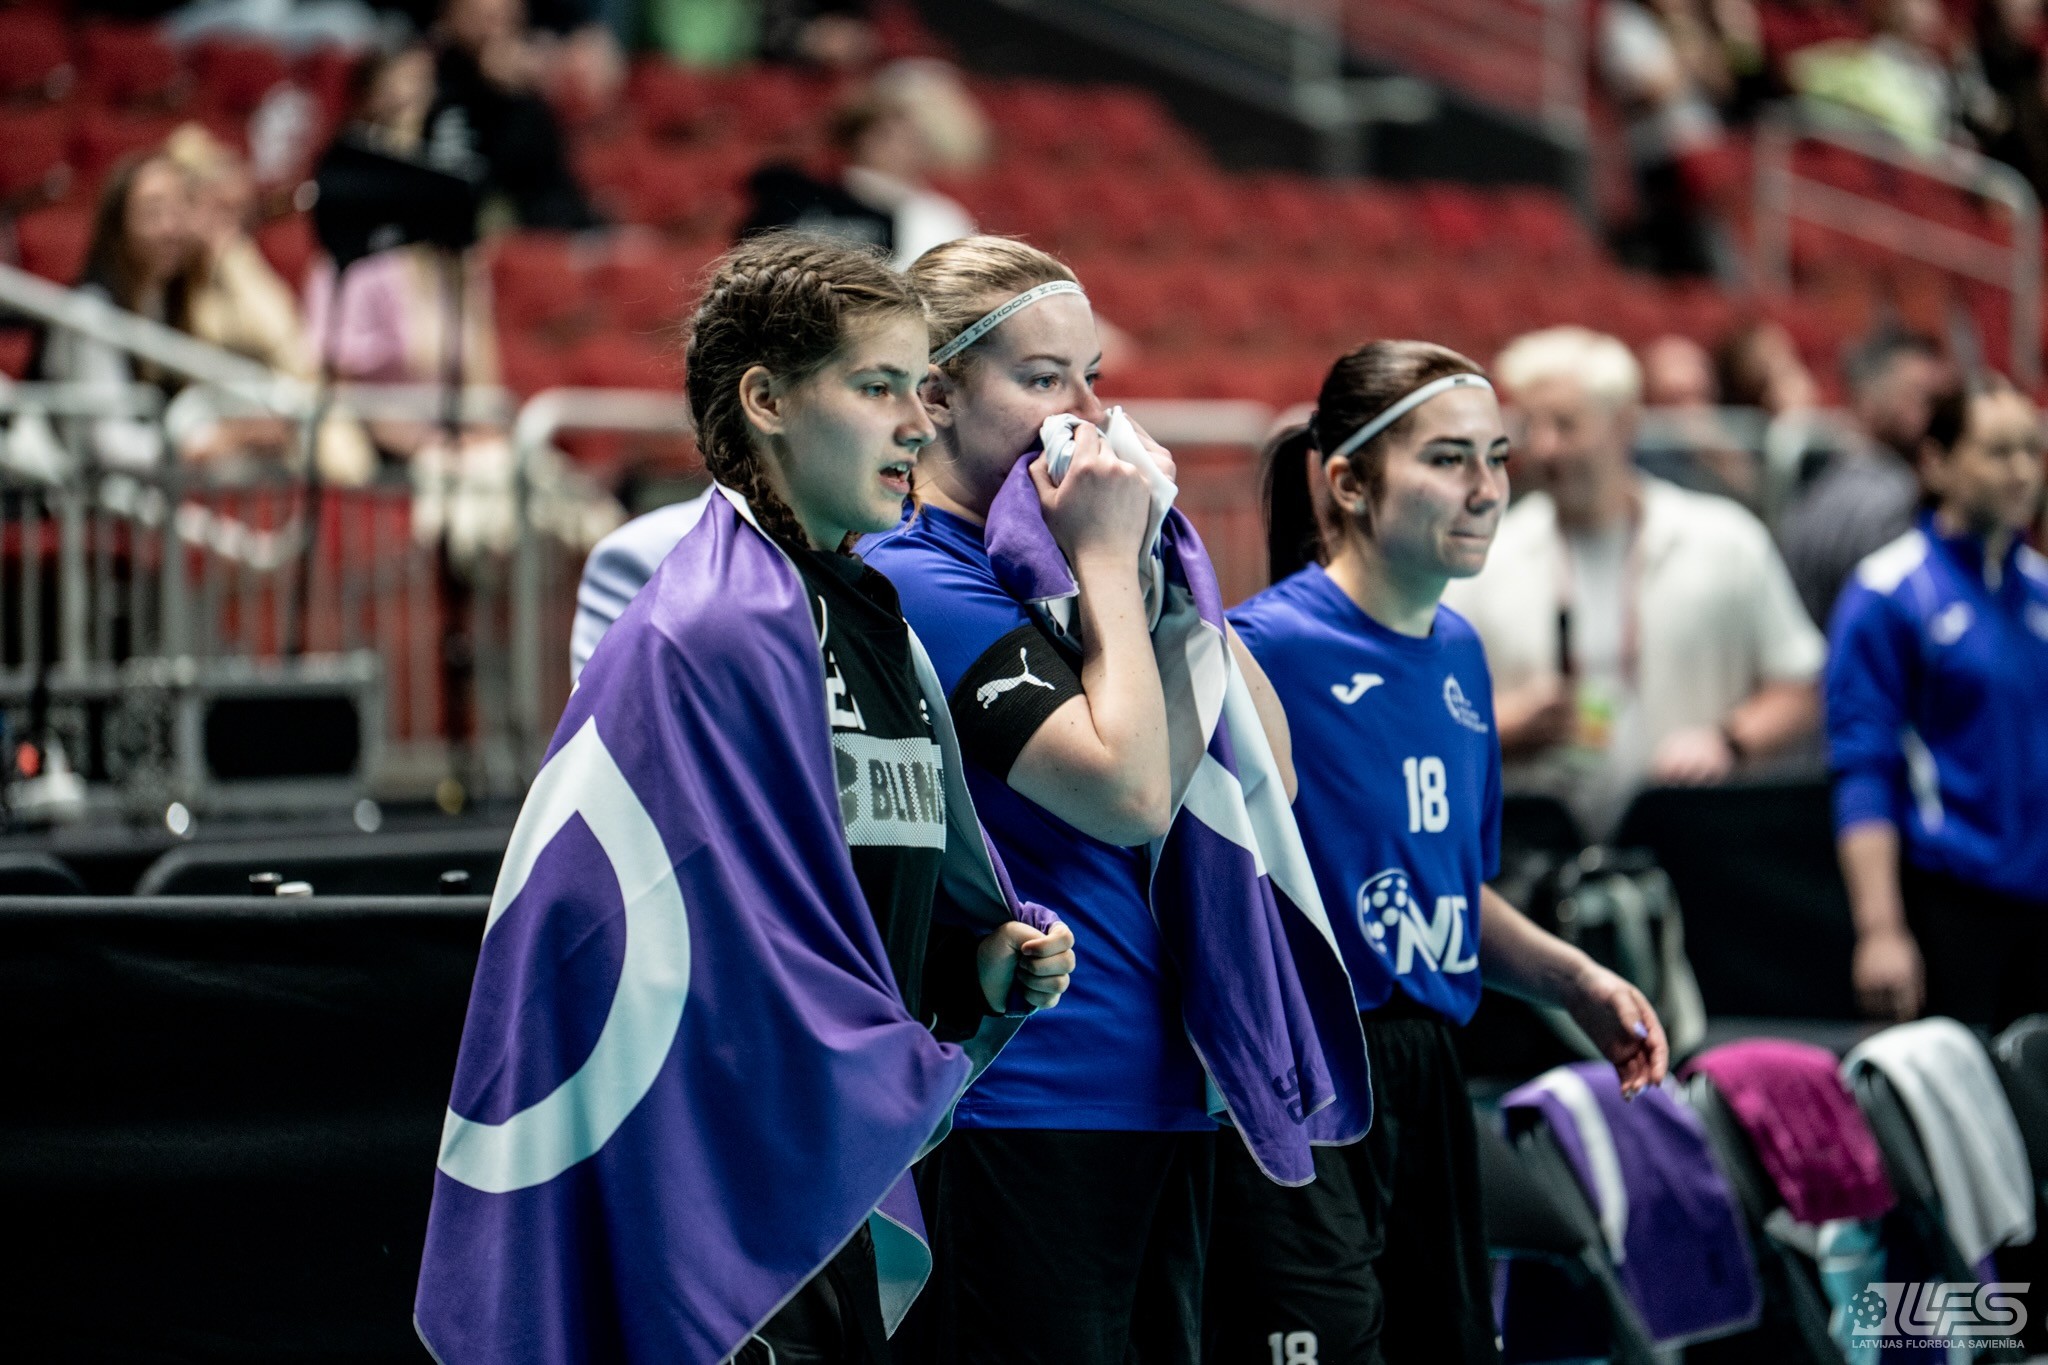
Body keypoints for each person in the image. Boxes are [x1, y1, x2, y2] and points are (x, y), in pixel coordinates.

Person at [414, 232, 1076, 1365]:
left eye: (919, 389)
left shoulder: (874, 621)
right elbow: (667, 946)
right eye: (876, 388)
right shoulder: (708, 630)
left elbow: (848, 907)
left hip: (825, 1163)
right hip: (718, 1194)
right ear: (766, 401)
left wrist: (968, 970)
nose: (916, 425)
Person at [863, 235, 1368, 1365]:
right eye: (1045, 379)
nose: (1089, 415)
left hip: (1158, 1086)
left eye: (1092, 376)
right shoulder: (916, 577)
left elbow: (1267, 770)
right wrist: (1106, 564)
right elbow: (1131, 793)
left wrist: (1157, 573)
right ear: (935, 397)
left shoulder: (1058, 577)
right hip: (1022, 1095)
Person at [1211, 339, 1669, 1365]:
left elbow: (1453, 887)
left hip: (1429, 1075)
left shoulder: (1459, 651)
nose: (1487, 489)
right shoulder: (1259, 651)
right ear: (1348, 483)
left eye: (1496, 457)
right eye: (1449, 458)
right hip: (1304, 1074)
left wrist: (1574, 981)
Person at [1441, 326, 1823, 838]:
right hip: (1537, 849)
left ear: (1625, 425)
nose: (1546, 448)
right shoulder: (1485, 559)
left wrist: (1728, 742)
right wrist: (1505, 728)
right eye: (1531, 426)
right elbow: (1426, 717)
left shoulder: (1725, 542)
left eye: (1566, 425)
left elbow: (1801, 687)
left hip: (1699, 843)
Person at [1826, 373, 2048, 1030]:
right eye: (1997, 451)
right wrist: (1881, 930)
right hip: (1951, 904)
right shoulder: (1888, 593)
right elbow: (1863, 767)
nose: (2021, 471)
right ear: (1936, 462)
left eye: (2031, 450)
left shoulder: (2041, 592)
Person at [36, 152, 289, 473]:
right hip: (85, 490)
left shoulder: (170, 299)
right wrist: (209, 443)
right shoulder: (91, 309)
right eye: (152, 212)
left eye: (179, 211)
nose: (170, 228)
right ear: (119, 224)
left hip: (153, 489)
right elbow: (112, 444)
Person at [1778, 329, 1949, 626]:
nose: (1939, 417)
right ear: (1868, 401)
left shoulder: (1813, 488)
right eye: (1923, 398)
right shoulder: (1896, 499)